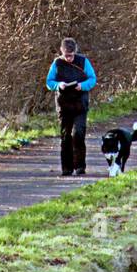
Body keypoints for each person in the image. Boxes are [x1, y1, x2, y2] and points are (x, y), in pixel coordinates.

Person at [45, 37, 97, 176]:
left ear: (75, 52)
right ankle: (66, 168)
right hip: (64, 105)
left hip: (80, 103)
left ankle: (80, 166)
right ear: (61, 52)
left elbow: (92, 79)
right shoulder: (57, 63)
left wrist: (82, 86)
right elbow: (49, 82)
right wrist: (58, 85)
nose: (69, 58)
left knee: (79, 134)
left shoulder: (83, 61)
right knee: (65, 136)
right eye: (66, 55)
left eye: (71, 55)